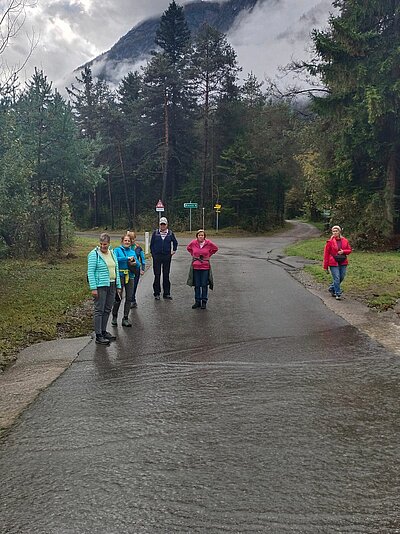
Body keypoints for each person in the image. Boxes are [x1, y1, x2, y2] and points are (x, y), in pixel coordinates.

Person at [87, 233, 122, 345]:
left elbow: (116, 269)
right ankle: (98, 335)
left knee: (107, 309)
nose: (103, 246)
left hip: (111, 284)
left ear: (109, 243)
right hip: (100, 286)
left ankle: (103, 331)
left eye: (105, 244)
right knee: (99, 310)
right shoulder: (94, 254)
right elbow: (90, 272)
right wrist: (93, 288)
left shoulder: (112, 253)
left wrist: (118, 285)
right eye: (101, 244)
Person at [186, 229, 218, 309]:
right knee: (197, 285)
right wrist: (193, 255)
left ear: (204, 236)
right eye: (199, 235)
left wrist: (208, 255)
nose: (201, 237)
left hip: (205, 267)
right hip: (196, 267)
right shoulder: (193, 243)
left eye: (202, 235)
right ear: (197, 236)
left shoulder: (208, 243)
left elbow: (215, 249)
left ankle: (204, 301)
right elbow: (188, 248)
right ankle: (197, 301)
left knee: (204, 285)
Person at [111, 234, 137, 327]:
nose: (127, 242)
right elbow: (115, 260)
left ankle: (125, 318)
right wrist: (126, 258)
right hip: (120, 275)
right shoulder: (117, 250)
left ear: (131, 242)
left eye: (128, 241)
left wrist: (134, 263)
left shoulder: (132, 251)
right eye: (125, 240)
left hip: (130, 276)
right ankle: (114, 316)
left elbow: (137, 263)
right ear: (122, 241)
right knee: (118, 297)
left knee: (129, 297)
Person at [150, 217, 178, 300]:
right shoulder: (155, 233)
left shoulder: (170, 233)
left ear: (166, 225)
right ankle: (157, 293)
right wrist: (153, 254)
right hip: (157, 256)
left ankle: (167, 293)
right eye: (161, 224)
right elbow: (151, 245)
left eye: (164, 224)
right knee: (157, 275)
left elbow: (175, 242)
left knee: (166, 275)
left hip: (166, 256)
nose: (162, 226)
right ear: (159, 224)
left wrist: (174, 250)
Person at [323, 225, 352, 301]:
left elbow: (349, 250)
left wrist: (343, 251)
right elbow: (326, 254)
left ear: (339, 232)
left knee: (341, 277)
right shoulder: (329, 242)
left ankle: (332, 288)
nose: (335, 232)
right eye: (333, 231)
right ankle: (338, 293)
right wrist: (325, 267)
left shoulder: (345, 240)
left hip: (343, 261)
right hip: (333, 262)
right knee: (337, 277)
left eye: (336, 231)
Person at [127, 230, 146, 308]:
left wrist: (143, 269)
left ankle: (133, 300)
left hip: (136, 270)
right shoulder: (126, 248)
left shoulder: (139, 248)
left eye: (132, 239)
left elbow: (143, 259)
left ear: (135, 238)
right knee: (128, 286)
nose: (131, 241)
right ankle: (130, 300)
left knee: (134, 285)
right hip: (127, 269)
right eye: (129, 239)